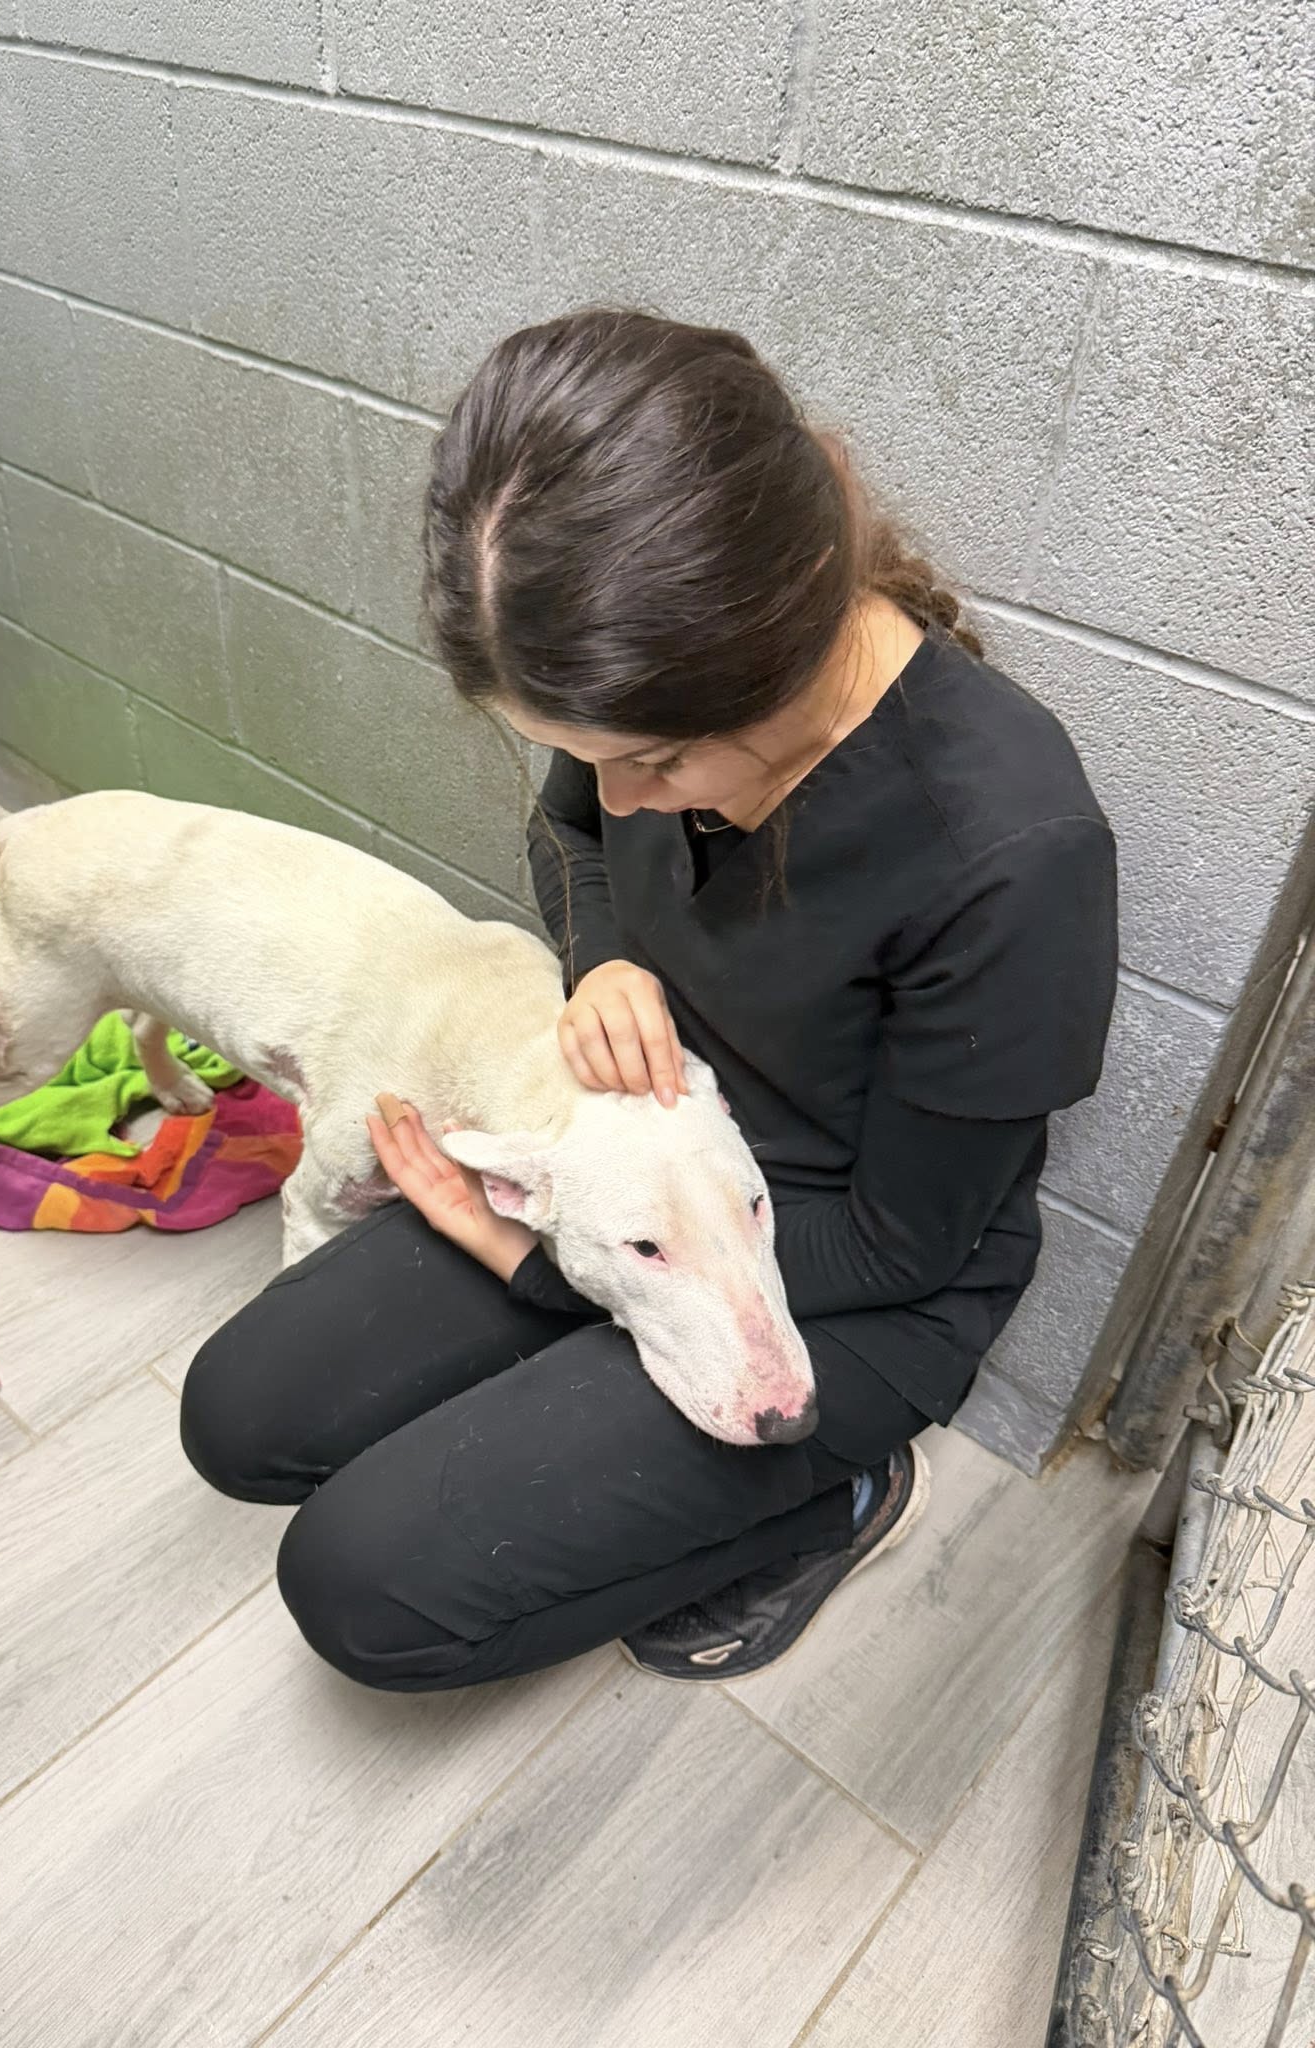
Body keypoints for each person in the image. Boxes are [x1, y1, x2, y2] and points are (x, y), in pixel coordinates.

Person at [180, 308, 1118, 1691]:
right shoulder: (636, 706)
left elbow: (906, 1248)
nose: (623, 801)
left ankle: (830, 1500)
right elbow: (571, 841)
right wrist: (606, 959)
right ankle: (576, 1412)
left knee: (359, 1594)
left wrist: (548, 1263)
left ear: (775, 650)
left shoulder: (1010, 852)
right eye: (584, 755)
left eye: (662, 764)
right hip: (639, 1187)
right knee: (240, 1418)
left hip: (850, 1272)